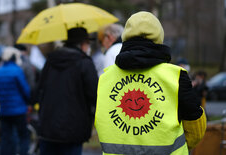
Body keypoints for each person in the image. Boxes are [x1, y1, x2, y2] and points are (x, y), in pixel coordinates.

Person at [95, 11, 206, 155]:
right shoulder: (176, 76)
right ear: (159, 37)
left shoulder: (105, 78)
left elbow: (102, 123)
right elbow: (195, 125)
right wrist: (184, 145)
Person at [36, 27, 98, 155]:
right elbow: (95, 94)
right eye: (88, 43)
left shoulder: (50, 61)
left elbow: (39, 90)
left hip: (48, 128)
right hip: (73, 130)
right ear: (82, 44)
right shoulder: (84, 63)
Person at [0, 47, 30, 155]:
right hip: (19, 110)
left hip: (4, 110)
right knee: (23, 136)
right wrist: (28, 102)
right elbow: (25, 90)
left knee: (6, 137)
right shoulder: (17, 71)